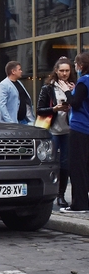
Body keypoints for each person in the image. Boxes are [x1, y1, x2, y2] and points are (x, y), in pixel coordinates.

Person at [36, 57, 74, 208]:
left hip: (68, 130)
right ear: (56, 71)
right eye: (61, 71)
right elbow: (39, 109)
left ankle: (61, 195)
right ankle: (46, 194)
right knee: (49, 162)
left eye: (67, 70)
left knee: (65, 163)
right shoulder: (48, 88)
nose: (64, 73)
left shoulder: (73, 86)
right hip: (52, 130)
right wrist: (54, 109)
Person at [57, 52, 89, 212]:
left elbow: (75, 103)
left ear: (81, 66)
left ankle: (79, 204)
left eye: (75, 64)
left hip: (80, 127)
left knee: (77, 167)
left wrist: (67, 92)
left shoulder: (84, 80)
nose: (74, 67)